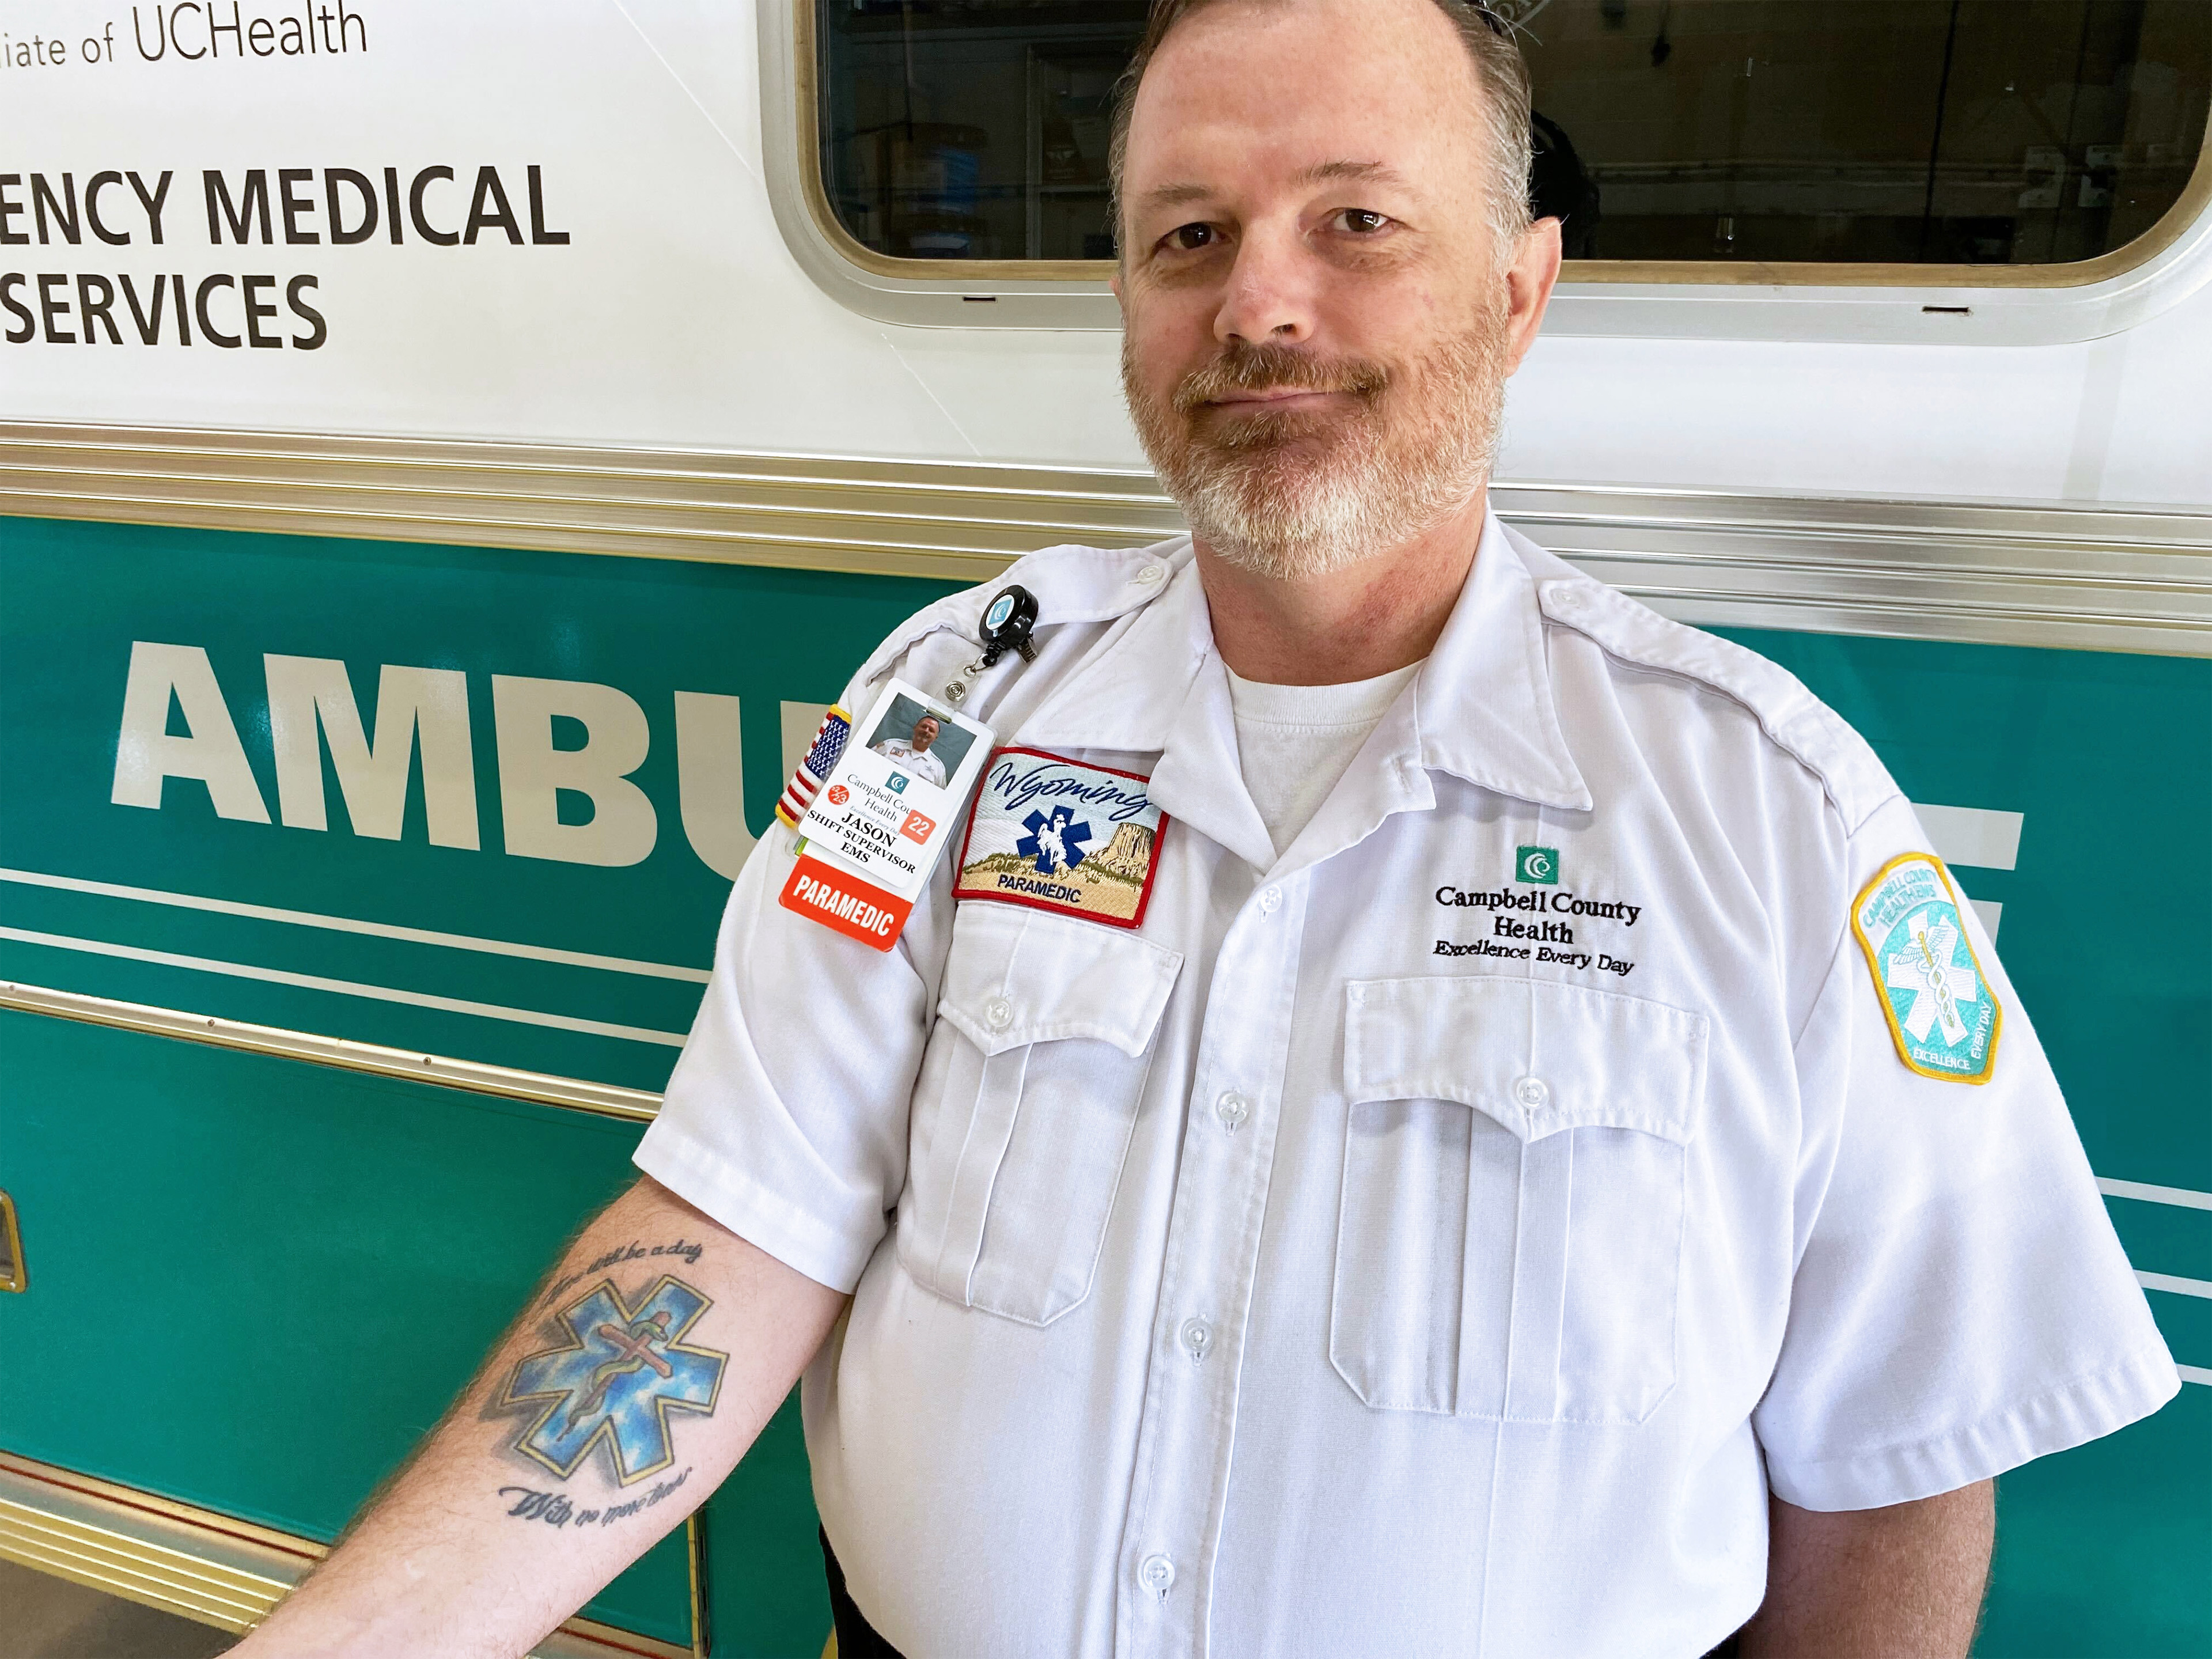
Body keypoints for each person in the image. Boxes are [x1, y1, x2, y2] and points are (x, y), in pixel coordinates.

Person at [232, 1, 2178, 1655]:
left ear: (1520, 291)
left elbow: (1898, 1475)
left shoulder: (1773, 817)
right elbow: (735, 1228)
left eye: (1355, 222)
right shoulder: (948, 706)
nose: (1259, 301)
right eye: (1188, 235)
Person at [869, 711, 948, 788]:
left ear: (935, 738)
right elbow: (867, 760)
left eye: (931, 730)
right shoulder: (890, 745)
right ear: (915, 728)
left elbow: (938, 797)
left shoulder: (938, 768)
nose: (926, 731)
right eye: (924, 726)